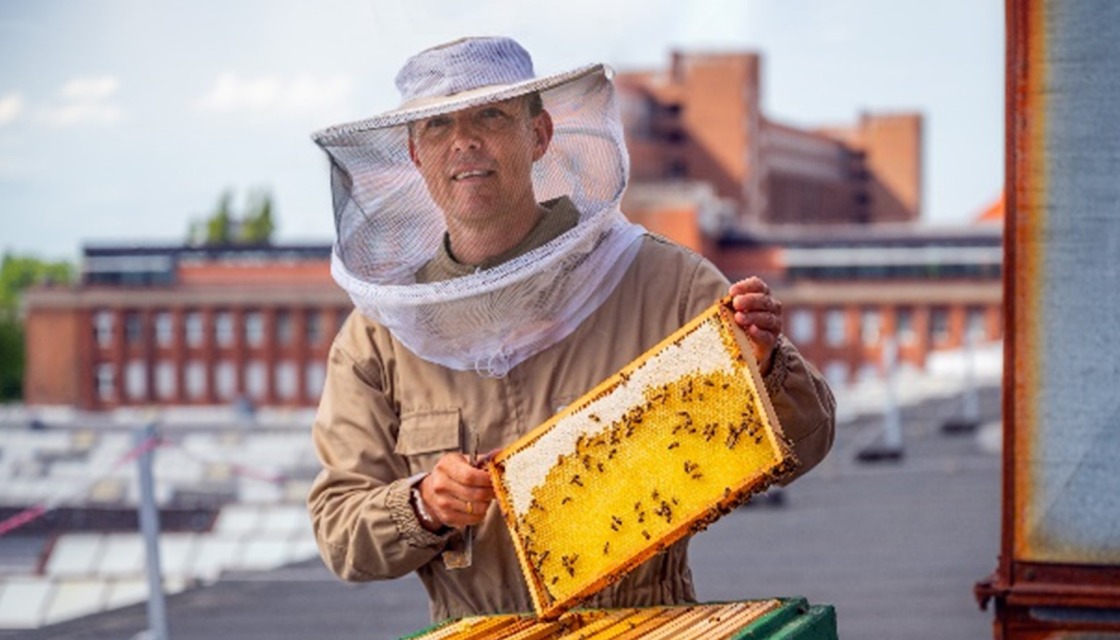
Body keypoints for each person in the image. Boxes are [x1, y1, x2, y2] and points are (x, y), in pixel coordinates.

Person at [307, 36, 835, 624]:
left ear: (539, 135)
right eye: (437, 125)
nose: (464, 141)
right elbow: (339, 533)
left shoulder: (663, 281)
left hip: (651, 626)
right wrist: (423, 505)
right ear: (415, 154)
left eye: (490, 114)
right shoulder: (378, 337)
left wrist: (763, 367)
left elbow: (809, 440)